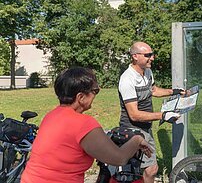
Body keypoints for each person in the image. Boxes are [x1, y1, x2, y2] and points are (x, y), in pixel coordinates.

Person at [21, 67, 152, 183]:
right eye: (95, 91)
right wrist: (137, 139)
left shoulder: (51, 116)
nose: (96, 95)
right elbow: (119, 158)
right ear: (81, 97)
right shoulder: (84, 124)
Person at [118, 41, 184, 183]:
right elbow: (134, 114)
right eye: (148, 55)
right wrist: (163, 115)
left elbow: (153, 90)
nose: (152, 58)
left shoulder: (147, 72)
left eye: (152, 54)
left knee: (145, 169)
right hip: (132, 130)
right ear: (135, 56)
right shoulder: (127, 79)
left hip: (145, 127)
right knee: (148, 169)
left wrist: (174, 92)